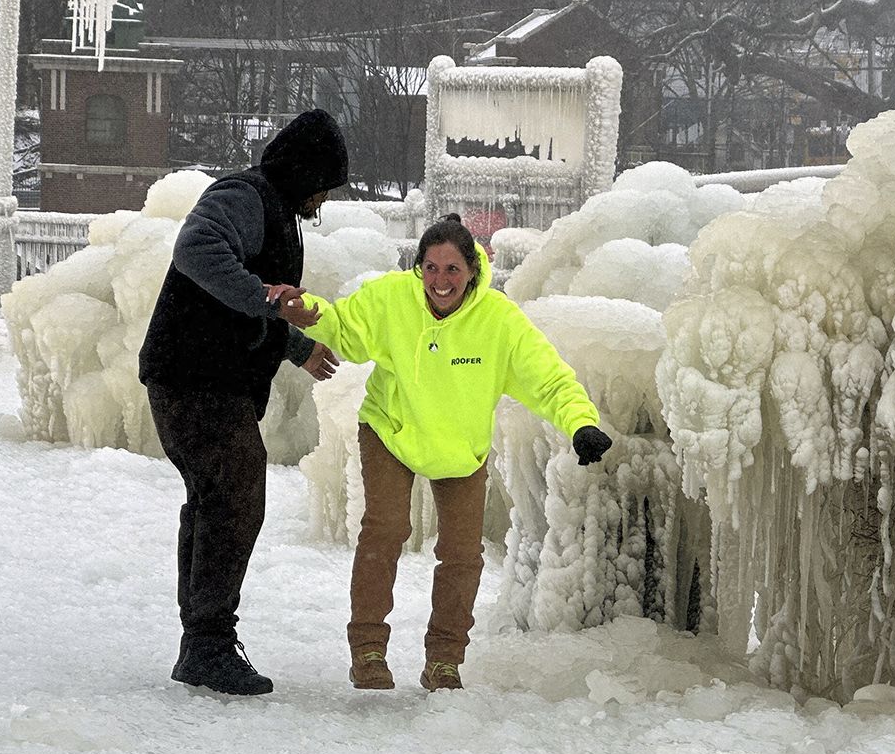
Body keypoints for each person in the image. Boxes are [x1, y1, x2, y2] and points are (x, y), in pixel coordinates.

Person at [277, 214, 613, 691]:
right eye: (431, 268)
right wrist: (303, 307)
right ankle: (368, 649)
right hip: (391, 430)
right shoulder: (393, 298)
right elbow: (342, 325)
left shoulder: (499, 321)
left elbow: (549, 378)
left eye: (452, 269)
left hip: (460, 448)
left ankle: (444, 660)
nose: (440, 280)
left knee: (461, 553)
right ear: (419, 268)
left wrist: (581, 424)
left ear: (472, 270)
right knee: (386, 529)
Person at [138, 109, 348, 696]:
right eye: (325, 183)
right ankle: (206, 642)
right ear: (306, 172)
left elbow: (255, 303)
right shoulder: (244, 196)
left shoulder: (274, 208)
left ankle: (201, 642)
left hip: (202, 377)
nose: (325, 198)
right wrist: (266, 299)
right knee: (233, 495)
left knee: (215, 497)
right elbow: (197, 248)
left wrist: (295, 344)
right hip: (192, 377)